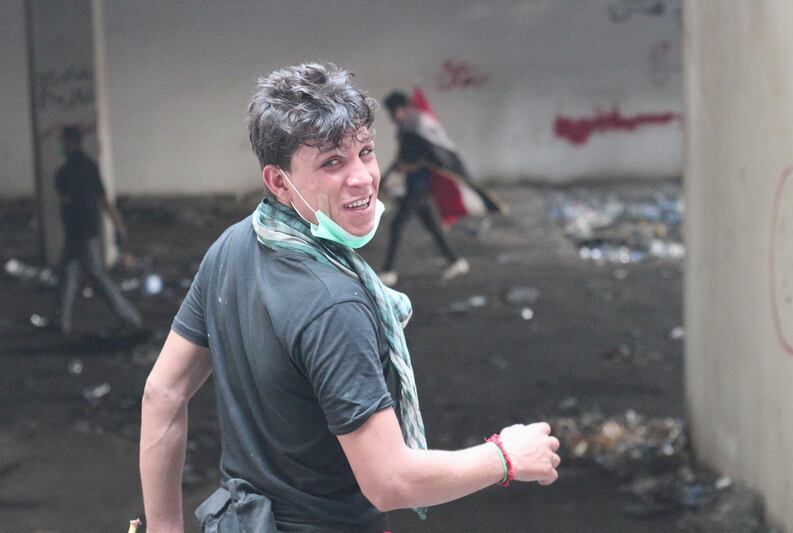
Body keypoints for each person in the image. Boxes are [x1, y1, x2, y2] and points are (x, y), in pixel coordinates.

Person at [139, 63, 560, 533]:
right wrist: (504, 456)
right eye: (332, 162)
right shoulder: (333, 304)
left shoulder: (232, 247)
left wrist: (162, 528)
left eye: (365, 151)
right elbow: (390, 480)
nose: (362, 177)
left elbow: (163, 391)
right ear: (278, 181)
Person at [379, 89, 504, 287]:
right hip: (414, 186)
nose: (392, 116)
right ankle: (456, 261)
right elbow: (401, 159)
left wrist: (411, 167)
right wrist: (384, 179)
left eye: (393, 111)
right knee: (432, 226)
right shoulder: (406, 129)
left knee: (397, 226)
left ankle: (388, 271)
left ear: (401, 109)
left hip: (419, 187)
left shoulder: (416, 131)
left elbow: (430, 158)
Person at [54, 125, 142, 335]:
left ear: (69, 142)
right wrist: (117, 223)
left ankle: (129, 318)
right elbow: (103, 198)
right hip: (87, 230)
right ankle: (60, 321)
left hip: (78, 232)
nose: (60, 146)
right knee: (67, 272)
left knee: (96, 275)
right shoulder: (89, 165)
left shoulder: (66, 171)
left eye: (62, 141)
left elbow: (66, 198)